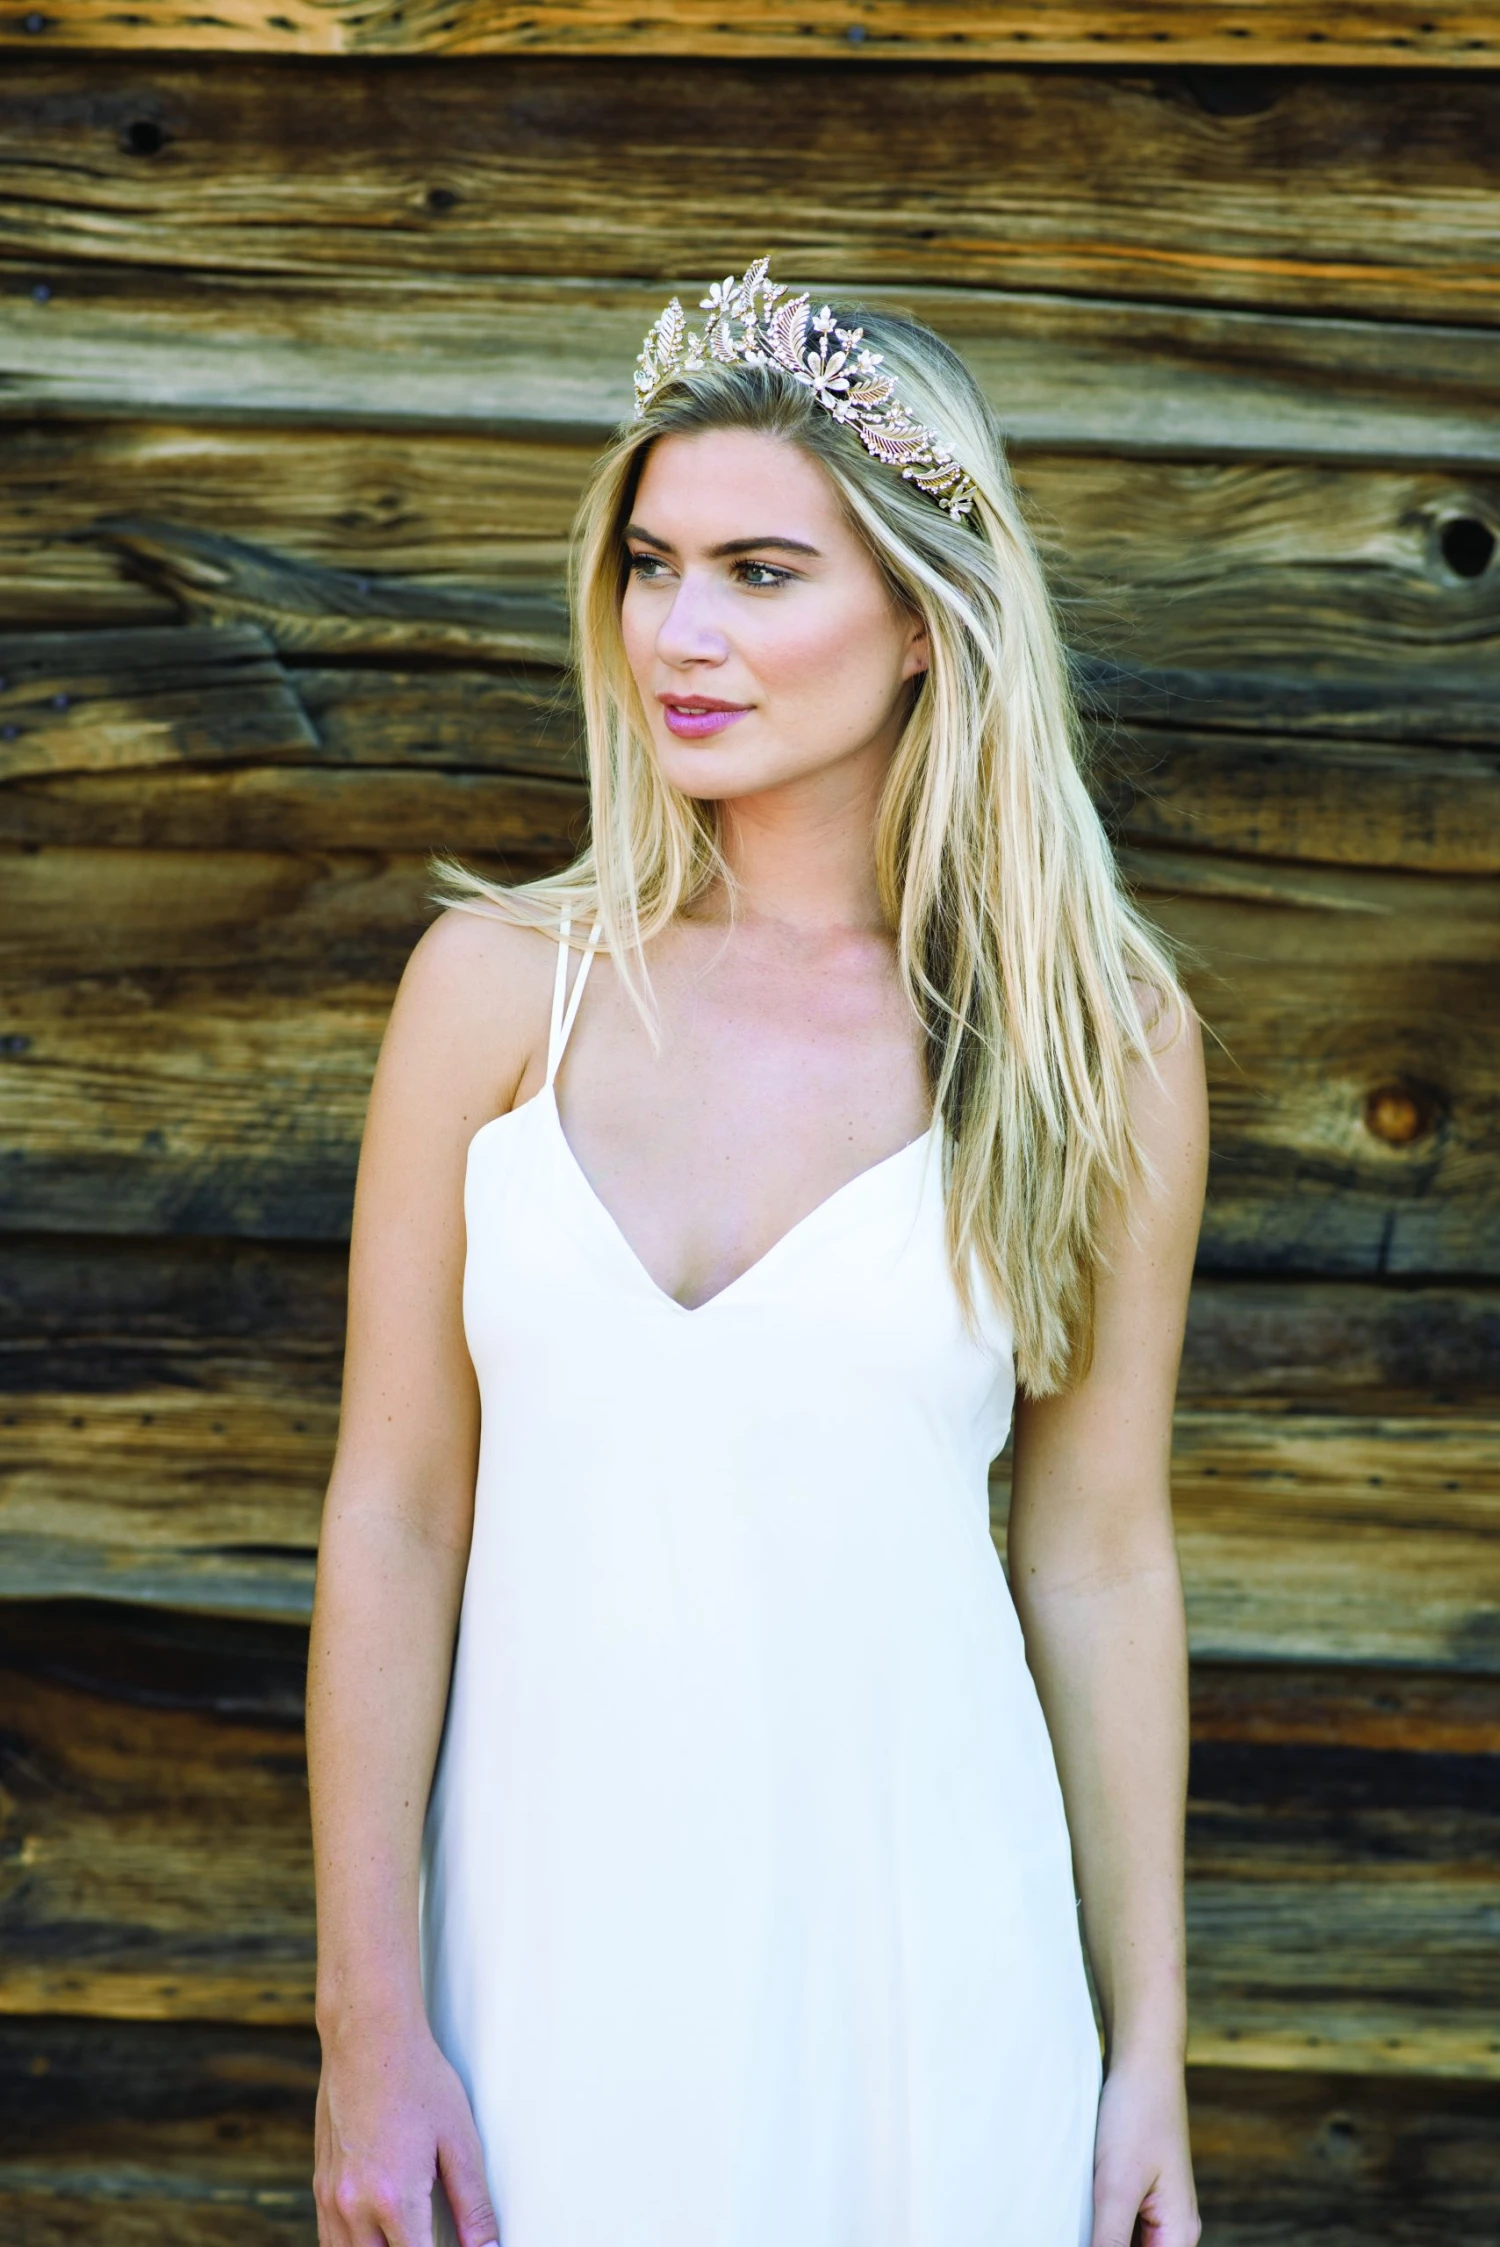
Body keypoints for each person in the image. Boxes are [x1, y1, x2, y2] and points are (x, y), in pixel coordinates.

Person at [306, 259, 1207, 2247]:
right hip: (540, 1966)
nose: (681, 633)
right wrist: (366, 2019)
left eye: (761, 573)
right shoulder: (496, 992)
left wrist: (1145, 2047)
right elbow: (394, 1515)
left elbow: (1097, 1555)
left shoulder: (1097, 1044)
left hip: (928, 1966)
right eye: (652, 565)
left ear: (923, 619)